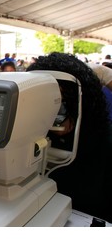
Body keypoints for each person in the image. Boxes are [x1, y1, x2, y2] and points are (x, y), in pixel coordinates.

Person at [27, 52, 112, 222]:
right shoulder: (28, 138)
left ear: (84, 104)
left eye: (60, 107)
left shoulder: (105, 145)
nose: (47, 118)